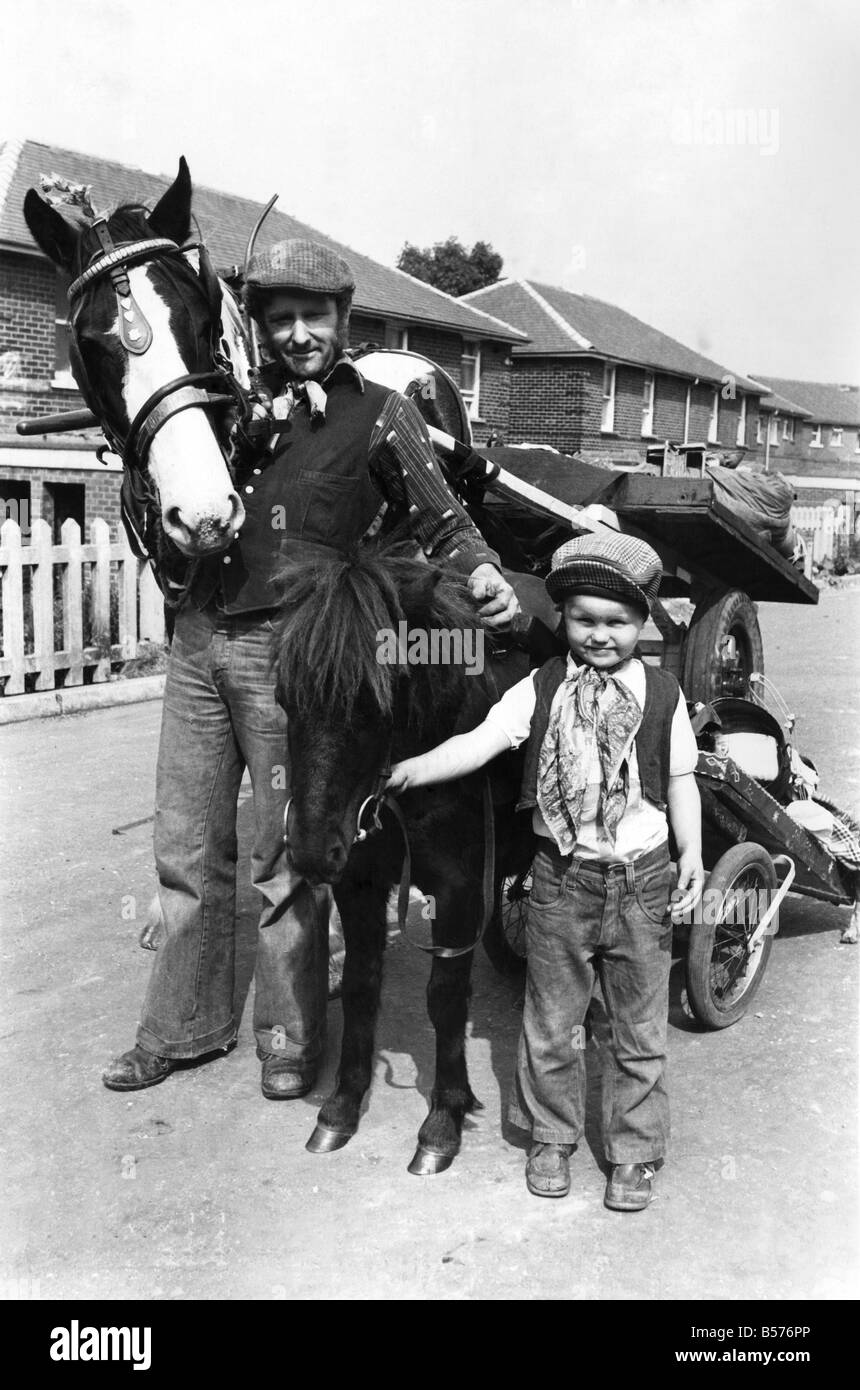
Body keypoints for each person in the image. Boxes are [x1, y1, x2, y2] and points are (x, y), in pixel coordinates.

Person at [102, 238, 519, 1100]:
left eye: (314, 318)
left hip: (290, 657)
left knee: (288, 852)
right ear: (256, 326)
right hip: (196, 639)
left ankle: (289, 1037)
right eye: (280, 318)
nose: (297, 335)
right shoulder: (216, 408)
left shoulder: (380, 411)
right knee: (186, 847)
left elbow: (444, 521)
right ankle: (181, 1025)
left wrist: (480, 570)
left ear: (343, 323)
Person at [386, 533, 704, 1210]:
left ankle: (634, 1153)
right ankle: (553, 1137)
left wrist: (694, 857)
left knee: (638, 1032)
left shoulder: (664, 694)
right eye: (584, 620)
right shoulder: (540, 688)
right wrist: (411, 770)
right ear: (562, 620)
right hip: (561, 881)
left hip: (643, 883)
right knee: (551, 1025)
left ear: (643, 623)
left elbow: (681, 785)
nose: (600, 636)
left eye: (617, 622)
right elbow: (478, 745)